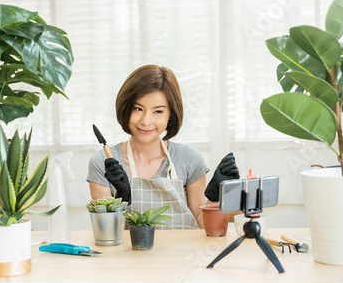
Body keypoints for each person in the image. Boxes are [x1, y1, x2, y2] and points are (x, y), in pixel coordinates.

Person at [87, 64, 239, 229]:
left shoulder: (189, 159)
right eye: (138, 109)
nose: (146, 121)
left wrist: (216, 196)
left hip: (184, 253)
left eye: (158, 111)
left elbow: (207, 227)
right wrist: (122, 199)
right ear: (125, 108)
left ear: (170, 116)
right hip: (131, 255)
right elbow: (105, 233)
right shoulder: (103, 162)